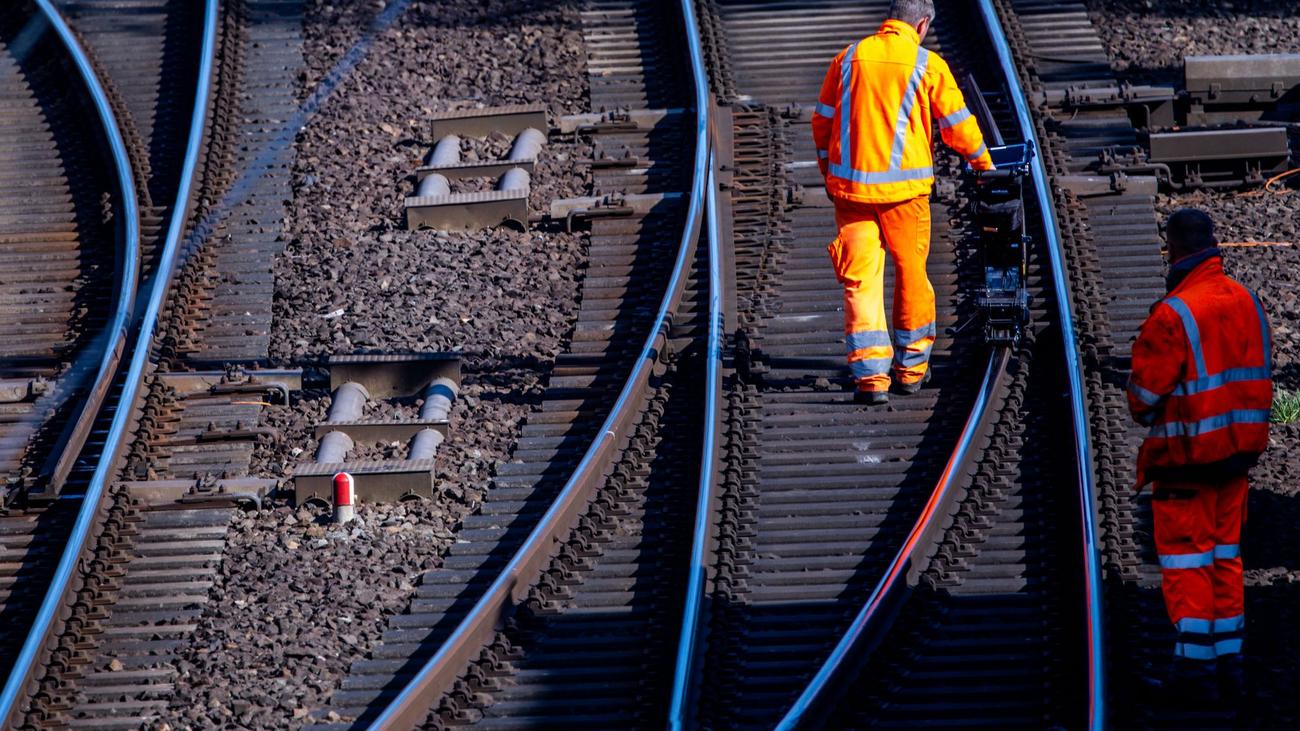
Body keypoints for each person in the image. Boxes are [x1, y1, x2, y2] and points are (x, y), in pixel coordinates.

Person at [812, 0, 994, 406]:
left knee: (860, 280)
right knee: (911, 274)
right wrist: (983, 163)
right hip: (906, 198)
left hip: (852, 194)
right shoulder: (926, 63)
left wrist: (829, 170)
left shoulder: (849, 58)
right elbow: (957, 125)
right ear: (922, 23)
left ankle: (871, 377)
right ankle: (911, 370)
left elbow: (822, 122)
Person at [1126, 208, 1273, 705]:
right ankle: (1230, 658)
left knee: (1188, 563)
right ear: (1214, 244)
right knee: (1225, 557)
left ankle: (1194, 668)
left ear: (1172, 250)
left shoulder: (1174, 314)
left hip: (1186, 462)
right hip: (1236, 461)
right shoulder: (1247, 301)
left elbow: (1142, 401)